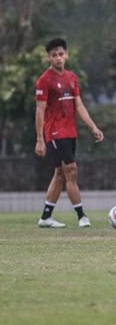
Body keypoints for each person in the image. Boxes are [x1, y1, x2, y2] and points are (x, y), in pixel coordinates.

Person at [34, 38, 103, 228]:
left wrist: (93, 127)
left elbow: (79, 105)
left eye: (61, 54)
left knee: (60, 175)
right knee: (71, 170)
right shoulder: (44, 81)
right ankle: (82, 216)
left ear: (67, 55)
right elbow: (40, 110)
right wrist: (40, 139)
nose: (58, 58)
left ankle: (46, 217)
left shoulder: (72, 77)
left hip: (70, 131)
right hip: (55, 132)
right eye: (54, 55)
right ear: (48, 58)